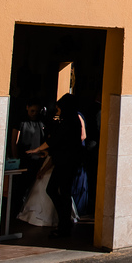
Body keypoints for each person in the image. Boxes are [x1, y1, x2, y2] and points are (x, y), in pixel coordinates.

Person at [27, 95, 87, 238]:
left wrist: (37, 149)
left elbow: (55, 140)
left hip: (64, 162)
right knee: (60, 192)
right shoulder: (72, 121)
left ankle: (64, 224)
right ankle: (64, 224)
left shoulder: (67, 122)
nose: (57, 109)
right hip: (67, 161)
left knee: (57, 191)